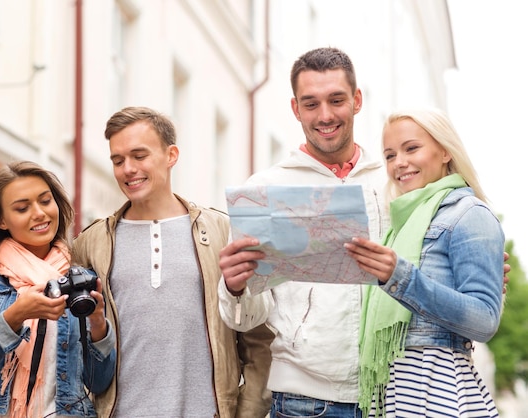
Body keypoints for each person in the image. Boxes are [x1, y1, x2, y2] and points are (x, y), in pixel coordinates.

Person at [217, 47, 509, 418]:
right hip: (302, 401)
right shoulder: (265, 190)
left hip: (394, 398)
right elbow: (246, 318)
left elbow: (440, 256)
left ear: (356, 101)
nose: (325, 115)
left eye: (336, 100)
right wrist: (234, 287)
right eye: (311, 104)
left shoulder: (396, 182)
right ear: (295, 109)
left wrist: (478, 265)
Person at [71, 106, 273, 418]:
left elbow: (258, 340)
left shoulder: (223, 231)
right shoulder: (91, 243)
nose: (128, 169)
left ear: (171, 155)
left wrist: (247, 412)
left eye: (139, 156)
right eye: (118, 160)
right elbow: (78, 347)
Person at [344, 108, 503, 417]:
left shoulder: (470, 214)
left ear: (445, 151)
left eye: (411, 148)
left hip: (436, 388)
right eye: (390, 155)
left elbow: (485, 320)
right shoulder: (399, 227)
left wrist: (401, 277)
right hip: (399, 392)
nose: (398, 163)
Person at [0, 160, 116, 418]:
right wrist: (15, 315)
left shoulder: (81, 280)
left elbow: (98, 382)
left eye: (45, 201)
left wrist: (99, 325)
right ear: (1, 220)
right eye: (22, 208)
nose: (40, 213)